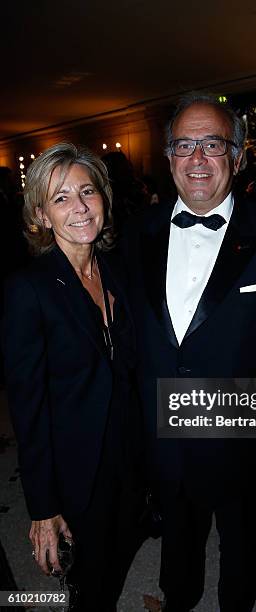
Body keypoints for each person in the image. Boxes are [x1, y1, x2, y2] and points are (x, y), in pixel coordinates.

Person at [130, 93, 256, 612]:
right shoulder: (137, 231)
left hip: (241, 432)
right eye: (185, 145)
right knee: (178, 545)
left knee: (241, 548)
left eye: (212, 144)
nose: (198, 159)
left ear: (237, 155)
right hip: (163, 427)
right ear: (168, 158)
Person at [2, 143, 147, 611]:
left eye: (87, 191)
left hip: (128, 452)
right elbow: (28, 408)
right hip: (76, 466)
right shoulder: (29, 290)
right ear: (41, 215)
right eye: (61, 198)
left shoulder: (118, 269)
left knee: (121, 547)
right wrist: (43, 508)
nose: (80, 207)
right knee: (92, 580)